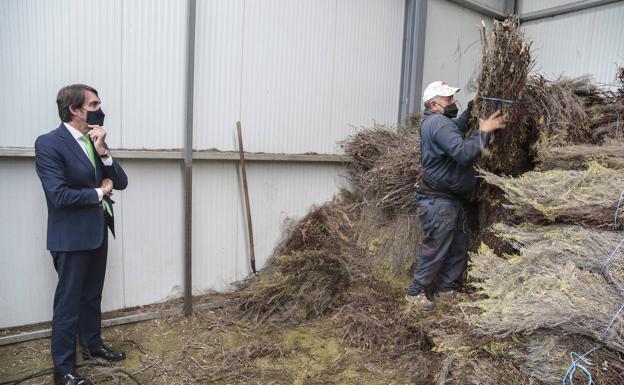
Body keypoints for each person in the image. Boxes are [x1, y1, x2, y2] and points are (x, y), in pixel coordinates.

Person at [35, 84, 128, 385]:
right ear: (75, 109)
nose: (100, 108)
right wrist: (99, 191)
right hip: (71, 238)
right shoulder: (49, 143)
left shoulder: (95, 139)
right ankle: (63, 370)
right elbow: (59, 195)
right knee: (68, 302)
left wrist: (103, 153)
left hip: (97, 232)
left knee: (91, 295)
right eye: (94, 103)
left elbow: (122, 181)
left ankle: (92, 346)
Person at [405, 81, 505, 310]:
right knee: (436, 248)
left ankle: (446, 290)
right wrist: (484, 132)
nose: (452, 102)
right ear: (434, 104)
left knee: (458, 246)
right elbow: (463, 153)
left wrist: (471, 110)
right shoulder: (439, 124)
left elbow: (456, 129)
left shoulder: (439, 122)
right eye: (447, 99)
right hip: (438, 202)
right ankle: (414, 293)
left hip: (449, 200)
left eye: (452, 98)